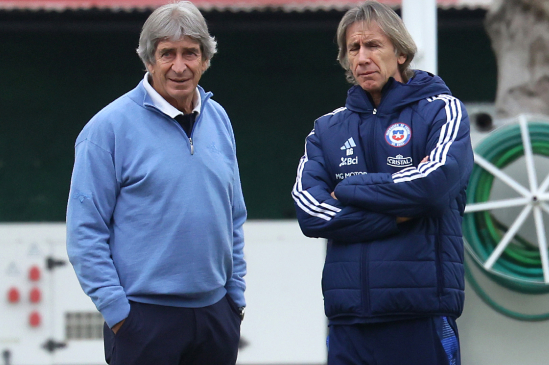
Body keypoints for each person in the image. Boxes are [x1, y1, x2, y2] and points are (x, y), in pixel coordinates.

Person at [292, 1, 473, 364]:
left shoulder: (443, 111)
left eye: (373, 45)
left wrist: (348, 189)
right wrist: (394, 216)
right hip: (349, 321)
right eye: (353, 48)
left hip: (420, 315)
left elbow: (432, 186)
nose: (362, 57)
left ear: (401, 52)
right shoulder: (327, 129)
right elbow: (310, 211)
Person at [66, 2, 247, 364]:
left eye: (190, 53)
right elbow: (85, 233)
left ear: (205, 59)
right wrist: (119, 315)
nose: (179, 66)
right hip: (143, 320)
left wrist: (235, 299)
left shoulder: (219, 119)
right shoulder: (107, 130)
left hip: (215, 316)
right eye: (167, 53)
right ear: (149, 60)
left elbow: (234, 217)